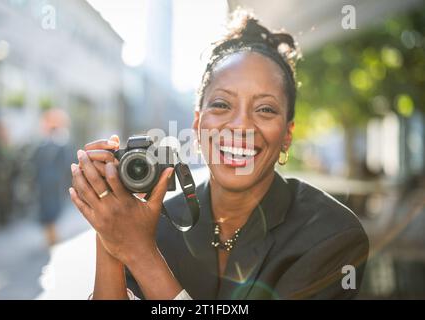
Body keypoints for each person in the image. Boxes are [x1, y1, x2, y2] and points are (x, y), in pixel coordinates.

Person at [69, 10, 369, 299]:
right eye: (222, 105)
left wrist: (141, 255)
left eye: (265, 109)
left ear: (287, 136)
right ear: (198, 125)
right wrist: (109, 234)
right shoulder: (155, 221)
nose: (240, 126)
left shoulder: (332, 236)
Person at [34, 108, 72, 247]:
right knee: (46, 209)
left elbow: (65, 162)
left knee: (53, 208)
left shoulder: (60, 141)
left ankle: (52, 236)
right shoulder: (45, 143)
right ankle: (50, 236)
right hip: (46, 182)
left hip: (53, 182)